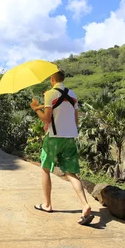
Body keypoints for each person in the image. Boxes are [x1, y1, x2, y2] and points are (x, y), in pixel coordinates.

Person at [30, 69, 93, 225]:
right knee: (71, 173)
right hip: (70, 138)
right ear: (63, 79)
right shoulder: (73, 95)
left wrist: (36, 109)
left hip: (53, 139)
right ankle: (85, 205)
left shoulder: (50, 94)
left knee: (45, 168)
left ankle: (47, 204)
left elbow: (46, 118)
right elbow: (76, 121)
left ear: (52, 79)